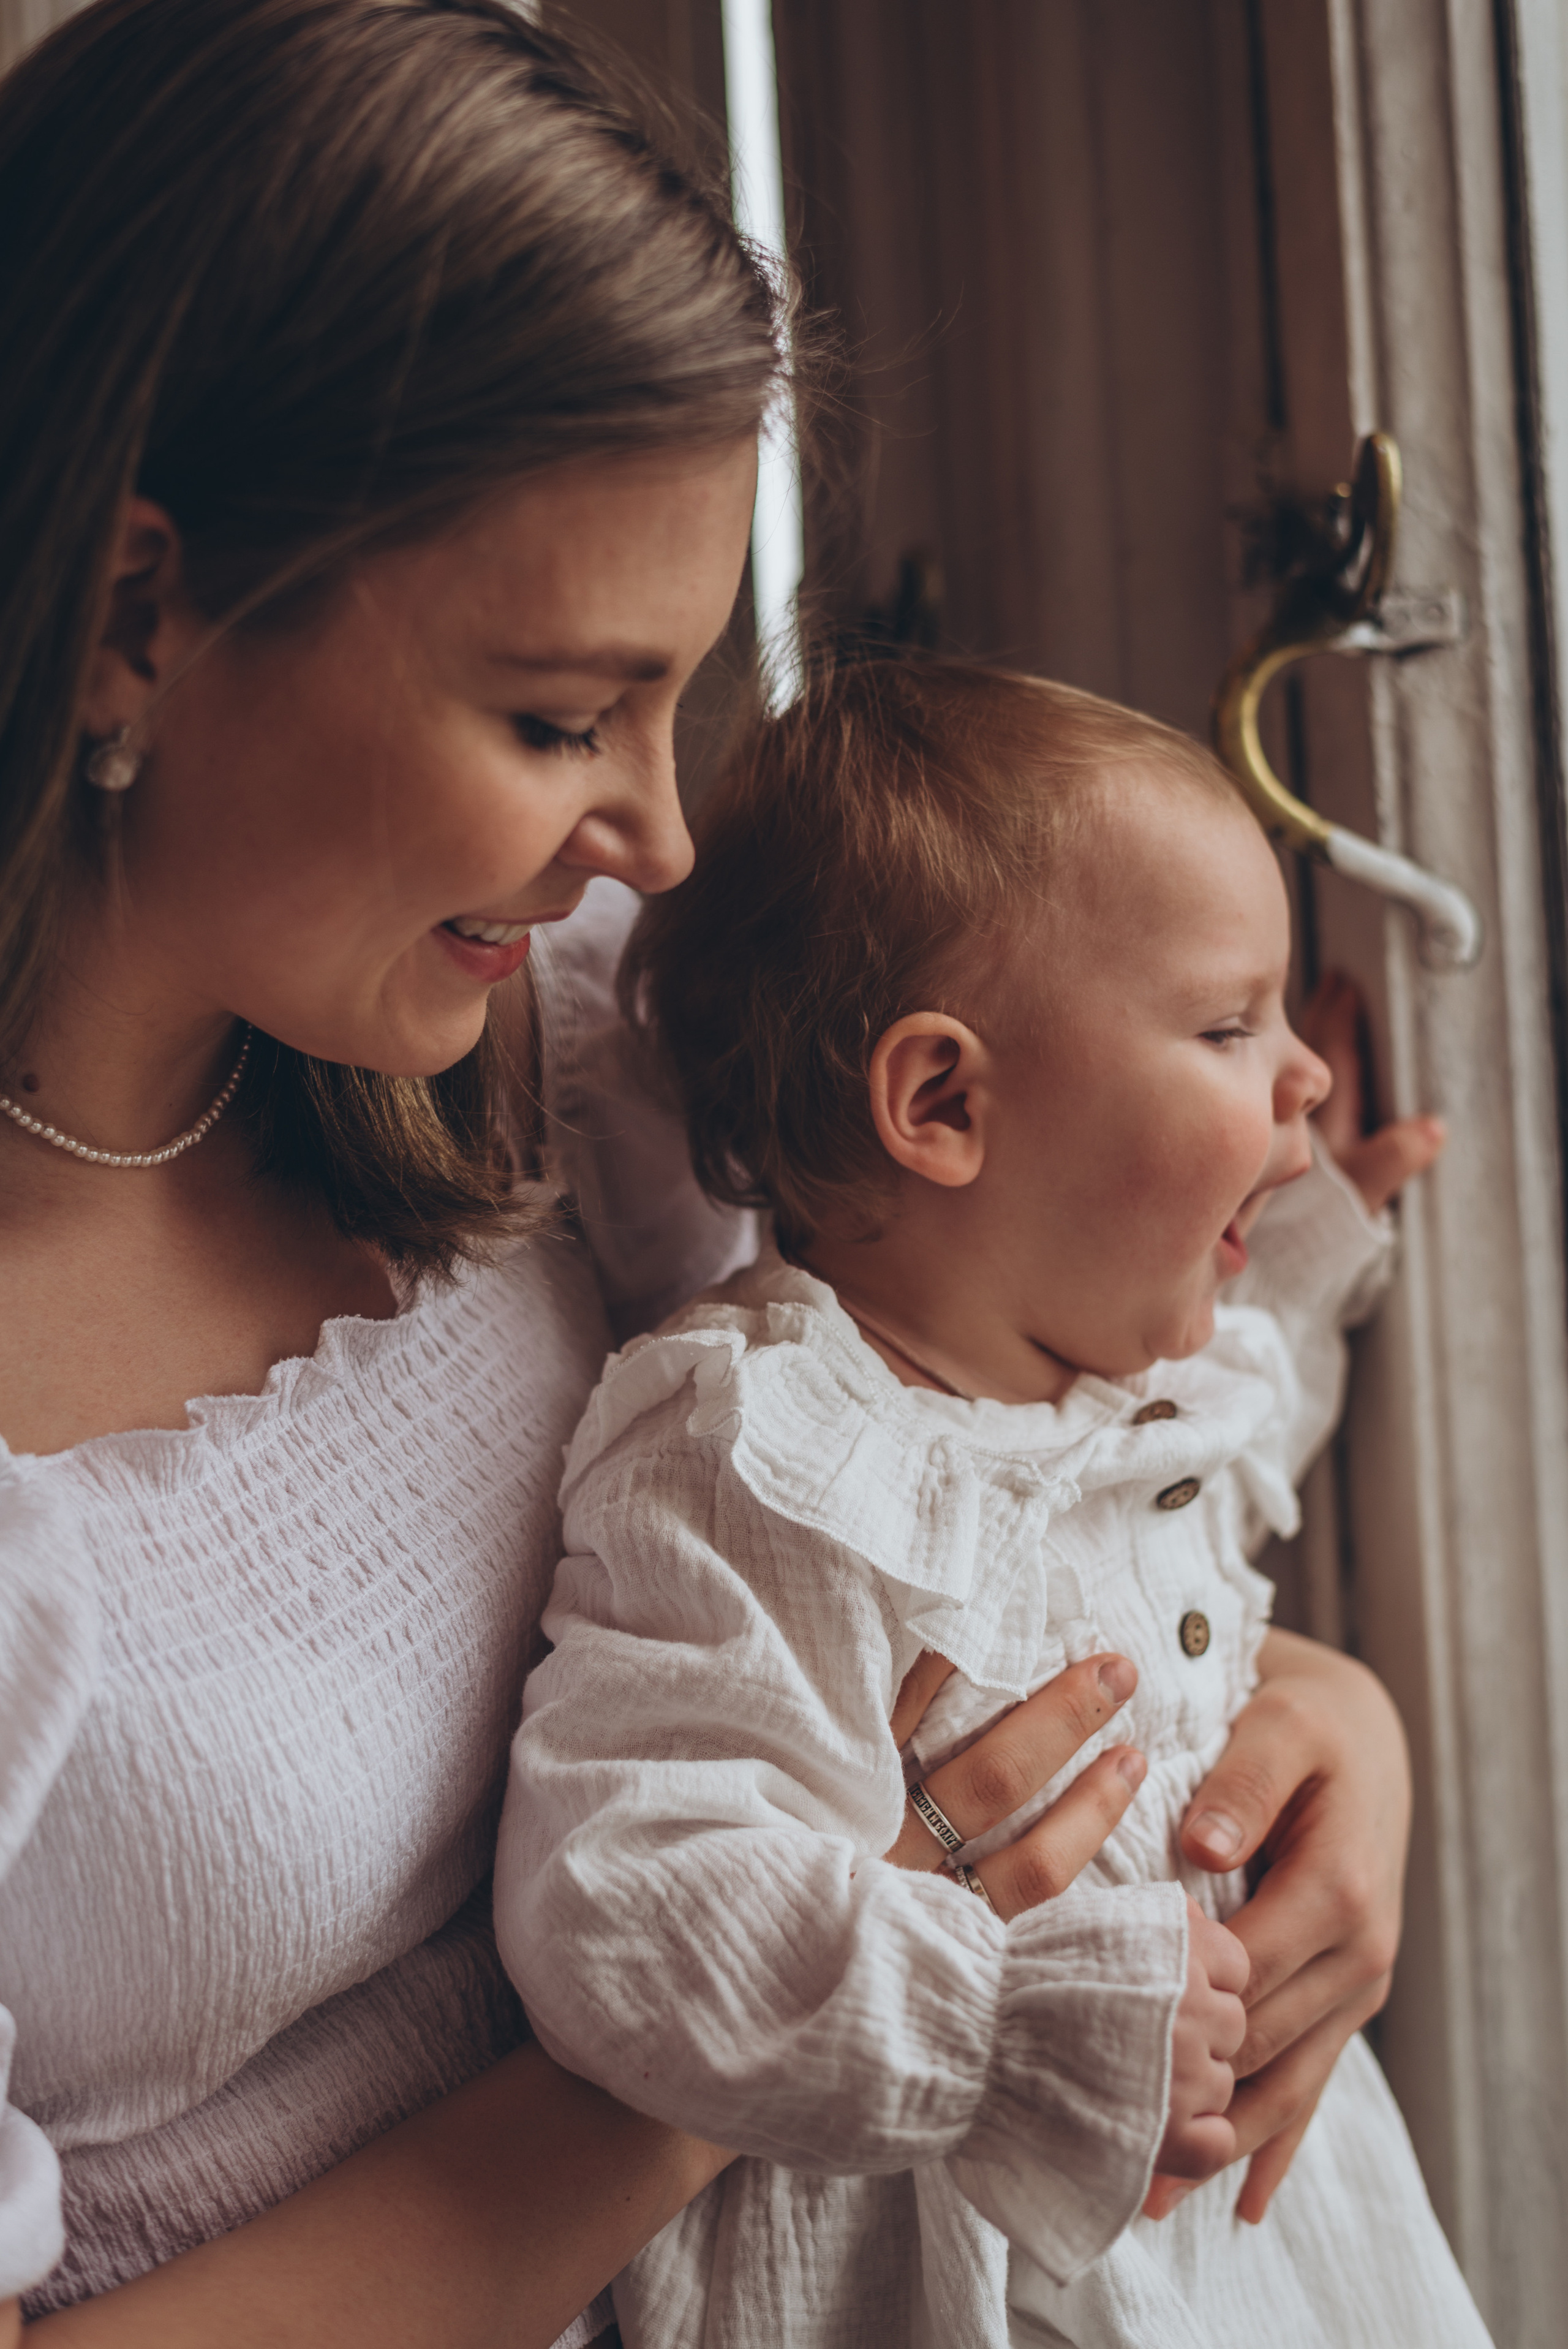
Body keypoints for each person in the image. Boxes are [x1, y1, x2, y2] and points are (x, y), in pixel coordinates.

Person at [0, 2, 1419, 2340]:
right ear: (137, 612)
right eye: (560, 714)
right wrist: (823, 1989)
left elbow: (952, 1464)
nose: (657, 833)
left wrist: (1319, 1737)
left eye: (681, 699)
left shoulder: (563, 1041)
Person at [497, 654, 1485, 2348]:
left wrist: (1309, 1240)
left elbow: (1235, 1442)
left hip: (1239, 2255)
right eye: (1227, 1025)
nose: (1301, 1085)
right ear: (946, 1101)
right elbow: (630, 1898)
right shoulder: (754, 1447)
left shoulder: (1109, 1384)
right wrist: (998, 2024)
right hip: (939, 2261)